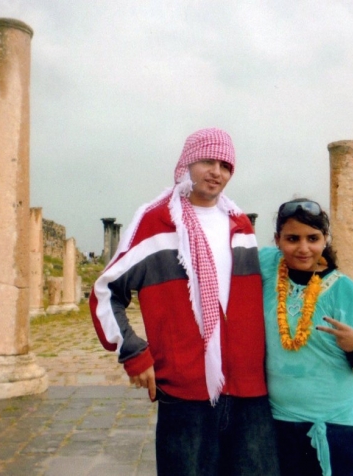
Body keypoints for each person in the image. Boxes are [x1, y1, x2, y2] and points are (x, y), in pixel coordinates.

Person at [90, 128, 279, 476]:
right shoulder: (155, 223)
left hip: (248, 392)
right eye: (208, 160)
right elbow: (106, 291)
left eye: (225, 165)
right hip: (185, 392)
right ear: (187, 163)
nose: (216, 171)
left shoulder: (240, 225)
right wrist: (133, 351)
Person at [259, 198, 353, 476]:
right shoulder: (268, 270)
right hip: (279, 421)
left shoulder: (342, 288)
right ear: (277, 240)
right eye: (292, 238)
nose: (303, 248)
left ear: (325, 239)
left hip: (337, 425)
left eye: (313, 238)